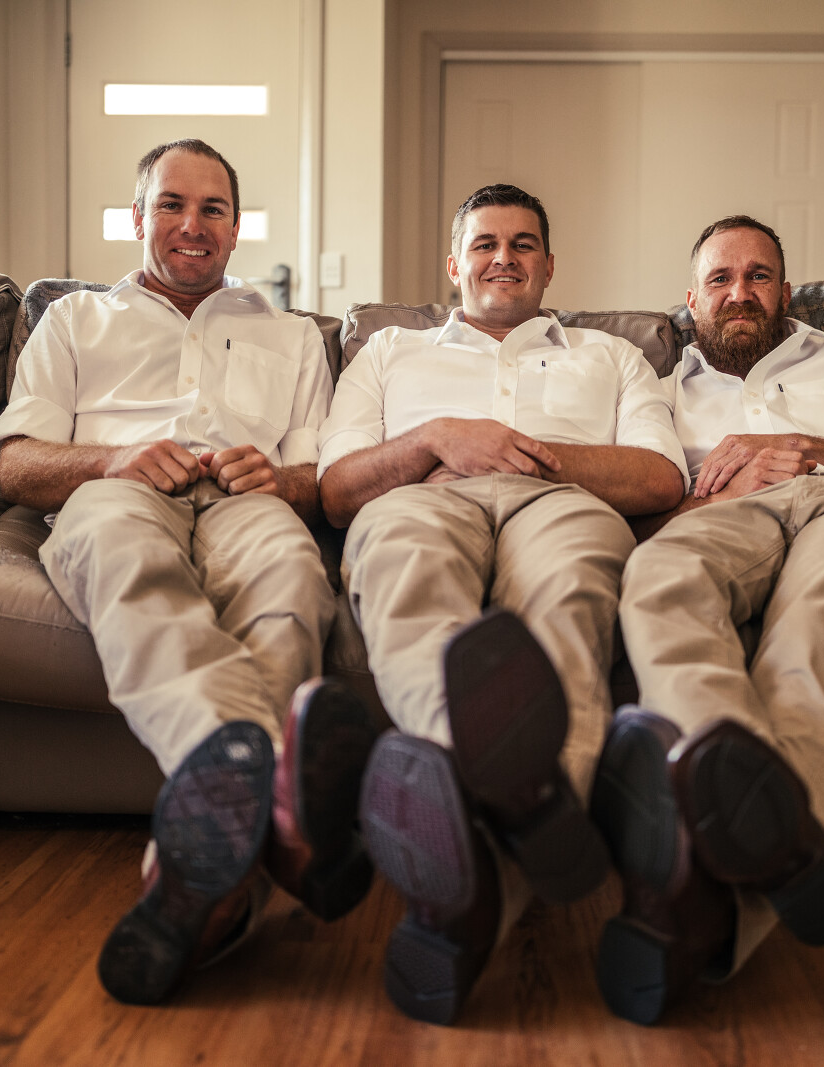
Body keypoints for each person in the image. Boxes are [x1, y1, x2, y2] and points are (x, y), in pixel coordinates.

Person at [0, 139, 378, 1006]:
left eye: (212, 209)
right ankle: (277, 821)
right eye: (172, 204)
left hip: (246, 502)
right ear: (138, 217)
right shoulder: (73, 320)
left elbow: (318, 477)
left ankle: (207, 864)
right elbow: (15, 464)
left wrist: (278, 479)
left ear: (236, 229)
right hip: (116, 490)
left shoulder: (294, 335)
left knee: (292, 575)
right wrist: (112, 458)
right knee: (130, 563)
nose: (192, 224)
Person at [316, 184, 688, 1024]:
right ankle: (527, 807)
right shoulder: (388, 352)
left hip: (563, 503)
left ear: (549, 266)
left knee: (571, 598)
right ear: (454, 265)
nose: (504, 258)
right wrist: (435, 437)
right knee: (408, 582)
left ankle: (469, 868)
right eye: (485, 243)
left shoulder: (613, 356)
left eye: (523, 245)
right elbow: (338, 490)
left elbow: (661, 477)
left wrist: (520, 452)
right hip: (420, 500)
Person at [592, 215, 824, 1025]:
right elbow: (641, 516)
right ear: (692, 301)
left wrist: (808, 447)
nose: (740, 292)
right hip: (723, 517)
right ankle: (774, 842)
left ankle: (707, 903)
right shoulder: (658, 390)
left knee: (810, 636)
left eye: (758, 276)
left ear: (785, 292)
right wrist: (716, 494)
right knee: (656, 576)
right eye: (720, 279)